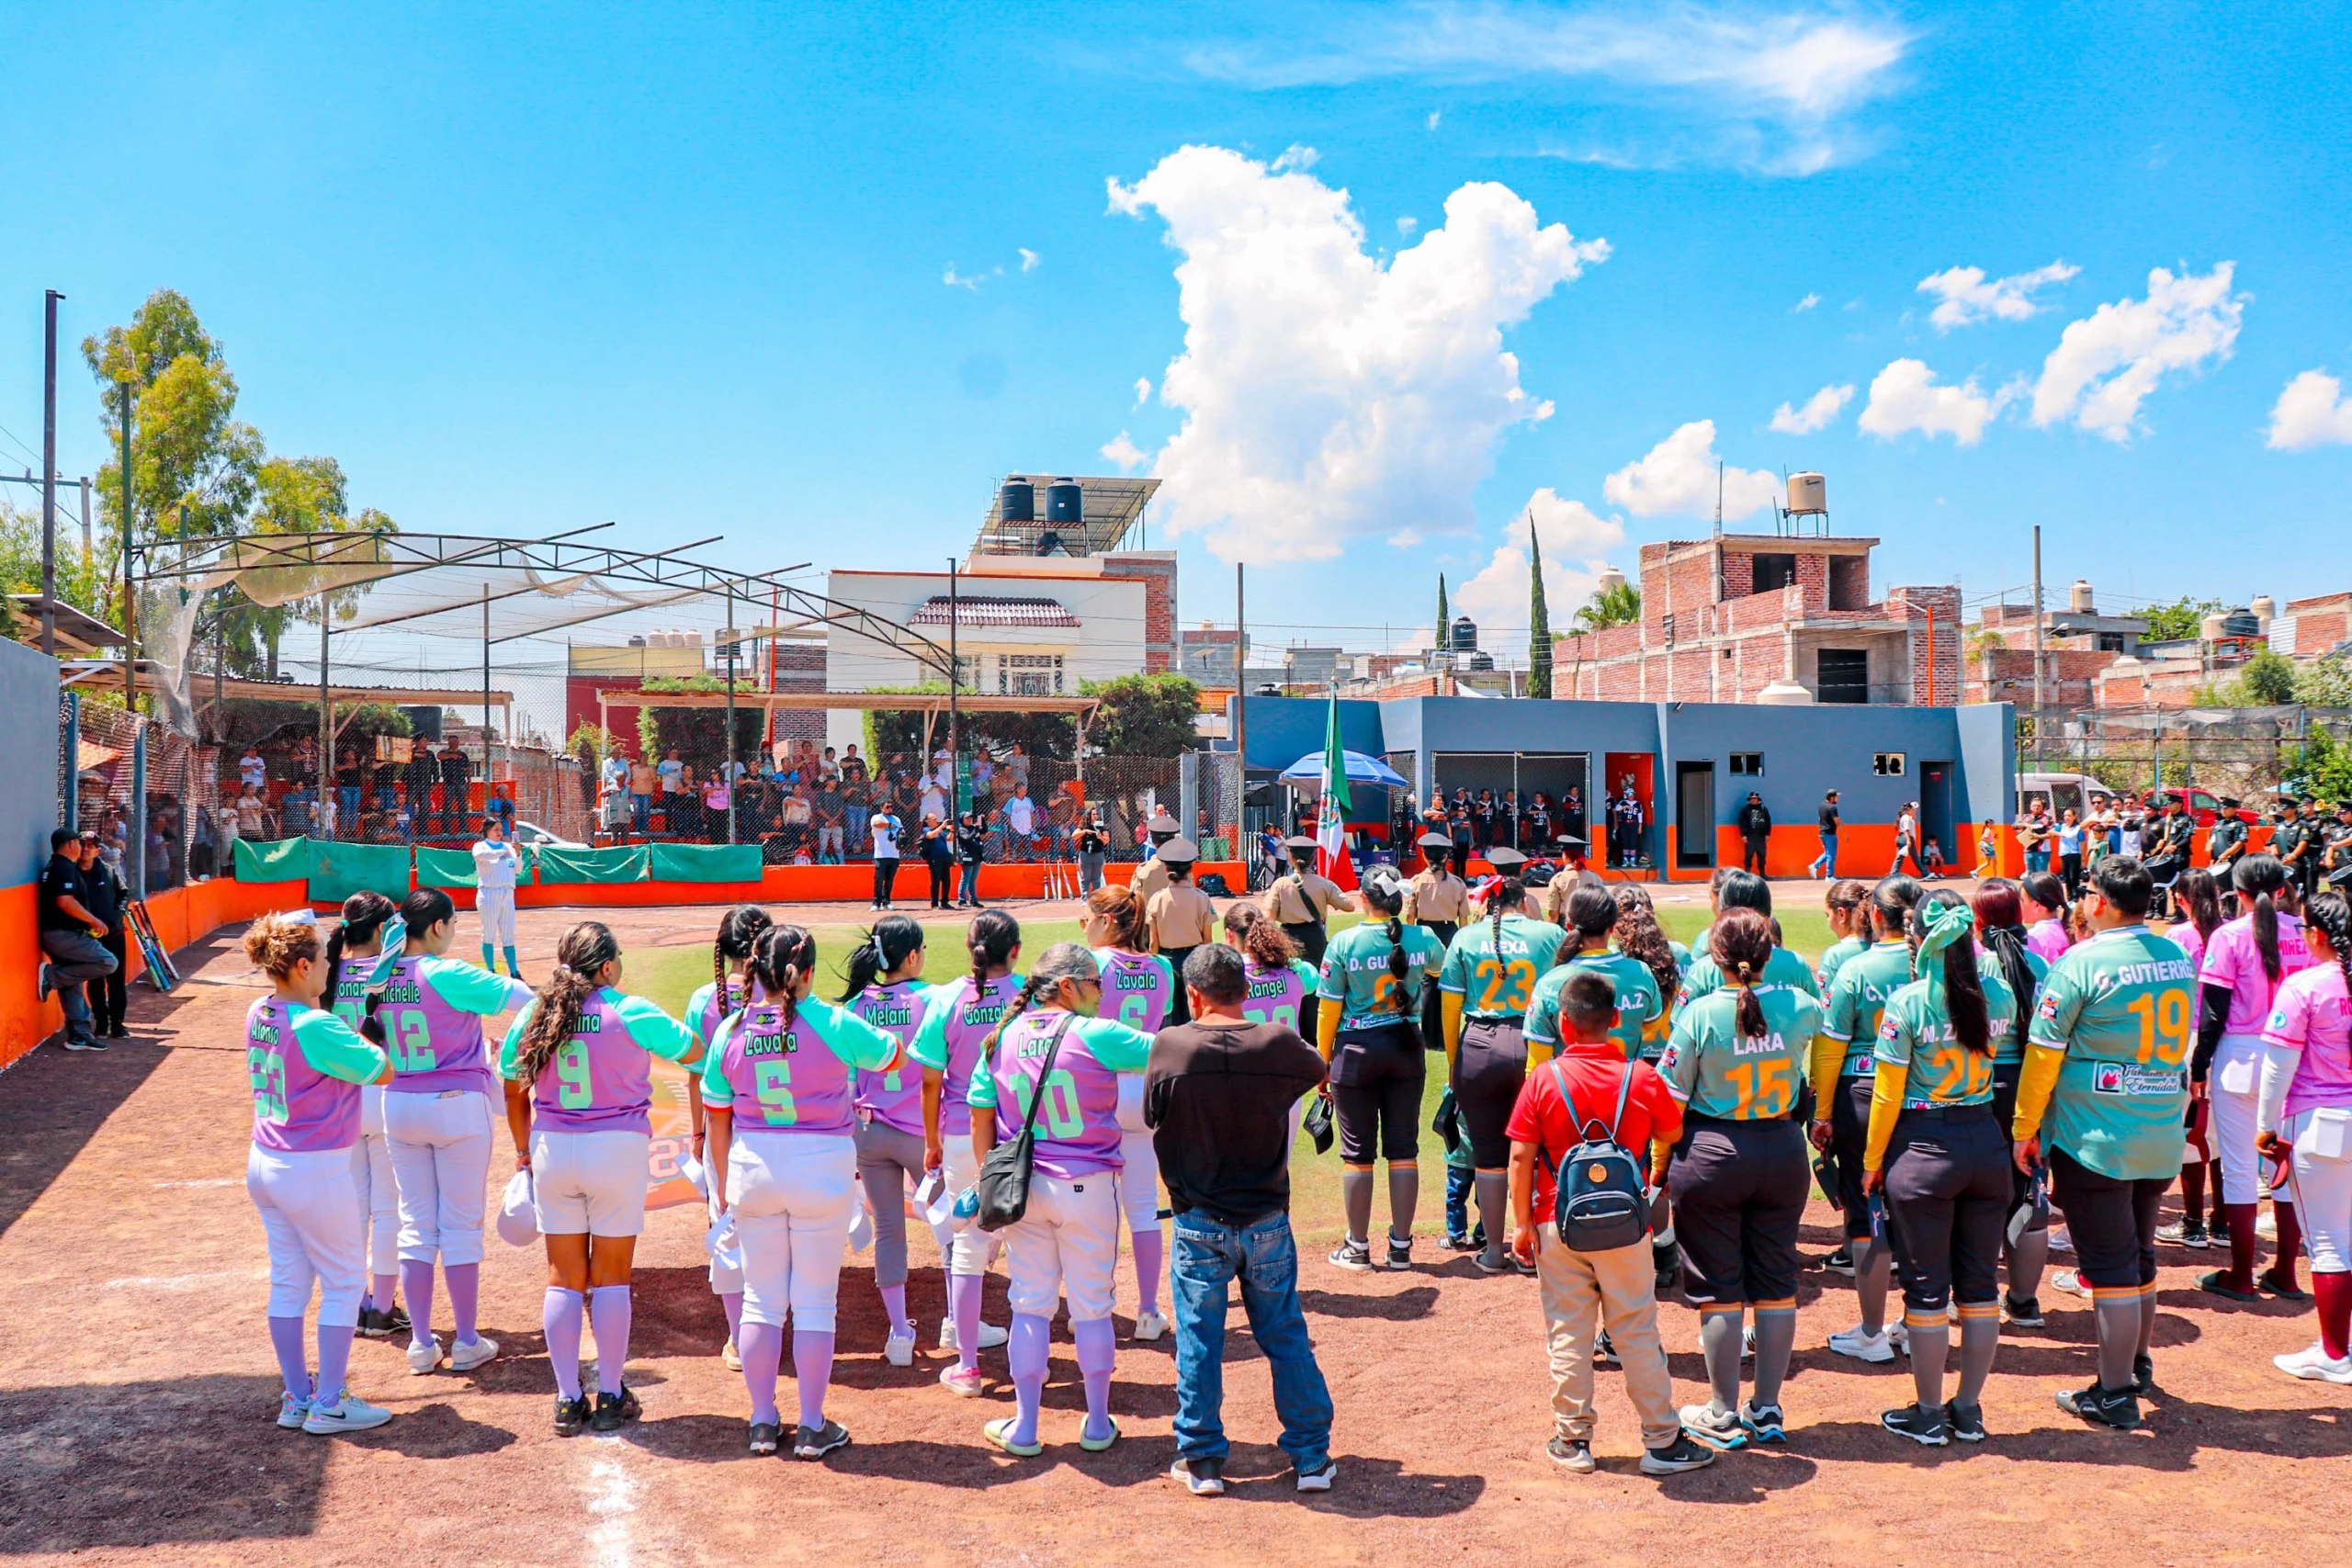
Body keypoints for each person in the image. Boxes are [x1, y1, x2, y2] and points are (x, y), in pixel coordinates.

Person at [702, 924, 901, 1457]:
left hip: (753, 1165)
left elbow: (717, 1119)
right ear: (806, 971)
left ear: (754, 969)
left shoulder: (731, 1029)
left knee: (761, 1302)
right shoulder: (833, 1021)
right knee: (815, 1304)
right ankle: (811, 1424)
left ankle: (763, 1421)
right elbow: (892, 1057)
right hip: (821, 1165)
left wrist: (721, 1187)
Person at [501, 921, 705, 1435]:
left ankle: (569, 1399)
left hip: (552, 1148)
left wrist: (523, 1151)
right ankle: (611, 1394)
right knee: (612, 1274)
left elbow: (511, 1087)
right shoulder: (629, 1009)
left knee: (563, 1277)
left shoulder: (536, 1011)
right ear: (607, 965)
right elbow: (694, 1050)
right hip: (617, 1149)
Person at [1149, 944, 1338, 1496]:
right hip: (1266, 1216)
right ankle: (1310, 1458)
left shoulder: (1171, 1044)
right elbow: (1317, 1070)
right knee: (1284, 1335)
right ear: (1246, 991)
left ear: (1193, 994)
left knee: (1200, 1339)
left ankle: (1203, 1459)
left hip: (1198, 1216)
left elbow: (1152, 1115)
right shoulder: (1275, 1042)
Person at [1507, 969, 1713, 1476]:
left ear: (1563, 1022)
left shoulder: (1543, 1078)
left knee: (1569, 1333)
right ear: (1616, 1020)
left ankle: (1573, 1439)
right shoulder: (1639, 1077)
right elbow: (1671, 1129)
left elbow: (1519, 1158)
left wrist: (1520, 1226)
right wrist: (1653, 1172)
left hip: (1558, 1220)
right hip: (1626, 1226)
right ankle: (1662, 1441)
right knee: (1637, 1330)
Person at [2011, 856, 2192, 1428]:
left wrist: (2024, 1126)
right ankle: (2135, 1363)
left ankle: (2114, 1393)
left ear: (2104, 902)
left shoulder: (2079, 963)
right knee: (2139, 1251)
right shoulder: (2177, 957)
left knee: (2111, 1263)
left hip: (2097, 1135)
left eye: (2087, 892)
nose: (2082, 901)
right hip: (2160, 1128)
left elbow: (2042, 1055)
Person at [966, 943, 1158, 1457]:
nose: (1102, 991)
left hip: (1024, 1188)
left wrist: (989, 1175)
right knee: (1093, 1307)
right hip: (1088, 1185)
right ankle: (1096, 1424)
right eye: (1094, 982)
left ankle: (1026, 1428)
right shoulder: (1097, 1033)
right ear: (1067, 985)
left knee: (1028, 1305)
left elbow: (980, 1117)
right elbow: (1166, 1051)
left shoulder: (1002, 1037)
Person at [1657, 909, 1821, 1450]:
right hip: (1781, 1152)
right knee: (1776, 1282)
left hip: (1712, 1157)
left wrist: (1660, 1168)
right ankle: (1768, 1409)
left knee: (1718, 1288)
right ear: (1770, 952)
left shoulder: (1700, 1014)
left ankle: (1724, 1413)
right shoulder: (1801, 1006)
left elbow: (1669, 1101)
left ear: (1715, 957)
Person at [1863, 890, 2018, 1445]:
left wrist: (1871, 1163)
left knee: (1926, 1291)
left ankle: (1929, 1413)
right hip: (1984, 1141)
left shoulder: (1907, 1002)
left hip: (1923, 1147)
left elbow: (1885, 1097)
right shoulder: (1999, 995)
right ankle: (1969, 1409)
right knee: (1979, 1288)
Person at [241, 910, 398, 1435]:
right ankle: (330, 1401)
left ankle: (296, 1397)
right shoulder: (317, 1023)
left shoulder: (259, 1011)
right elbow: (382, 1069)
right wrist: (371, 1031)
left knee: (289, 1283)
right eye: (325, 960)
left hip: (266, 1160)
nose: (330, 968)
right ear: (303, 965)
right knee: (345, 1281)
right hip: (313, 1167)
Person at [377, 888, 537, 1378]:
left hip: (400, 1102)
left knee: (415, 1226)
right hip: (455, 1107)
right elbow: (529, 1001)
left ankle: (422, 1343)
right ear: (439, 927)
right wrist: (500, 1052)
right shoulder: (449, 972)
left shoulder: (380, 974)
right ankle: (466, 1340)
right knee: (460, 1229)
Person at [1809, 874, 1924, 1359]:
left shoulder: (1855, 970)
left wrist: (1820, 1113)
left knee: (1865, 1214)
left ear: (1875, 915)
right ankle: (1919, 1322)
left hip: (1861, 1094)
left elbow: (1830, 1052)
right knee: (1921, 1214)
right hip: (1924, 1095)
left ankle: (1872, 1333)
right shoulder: (1937, 964)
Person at [1440, 848, 1569, 1275]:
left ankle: (1494, 1252)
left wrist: (1456, 1065)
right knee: (1538, 1150)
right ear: (1522, 901)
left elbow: (1449, 1009)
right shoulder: (1548, 934)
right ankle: (1535, 1249)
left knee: (1488, 1156)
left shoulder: (1465, 938)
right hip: (1537, 1043)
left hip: (1478, 1044)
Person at [908, 910, 1023, 1392]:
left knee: (967, 1245)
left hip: (960, 1138)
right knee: (1028, 1244)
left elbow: (930, 1081)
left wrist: (931, 1141)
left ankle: (968, 1364)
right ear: (1014, 950)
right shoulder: (1030, 995)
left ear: (968, 945)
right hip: (1020, 1135)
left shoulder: (945, 998)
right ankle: (1028, 1355)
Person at [2194, 853, 2314, 1303]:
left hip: (2238, 1060)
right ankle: (2285, 1272)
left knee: (2240, 1170)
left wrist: (2197, 1065)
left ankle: (2241, 1275)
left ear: (2238, 893)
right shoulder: (2303, 934)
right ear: (2282, 889)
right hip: (2292, 1060)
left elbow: (2213, 1012)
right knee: (2282, 1167)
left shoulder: (2227, 935)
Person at [1316, 864, 1445, 1272]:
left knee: (1357, 1154)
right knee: (1403, 1150)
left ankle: (1357, 1246)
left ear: (1364, 898)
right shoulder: (1423, 937)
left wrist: (1322, 1063)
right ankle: (1401, 1248)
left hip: (1356, 1051)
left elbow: (1327, 1010)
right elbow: (1439, 971)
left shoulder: (1344, 941)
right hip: (1407, 1047)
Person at [2256, 889, 2352, 1382]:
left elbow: (2277, 1068)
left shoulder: (2305, 986)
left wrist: (2265, 1127)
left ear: (2316, 934)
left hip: (2320, 1123)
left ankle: (2335, 1354)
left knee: (2330, 1242)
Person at [839, 916, 939, 1369]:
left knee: (888, 1233)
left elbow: (847, 1075)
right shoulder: (933, 998)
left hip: (869, 1131)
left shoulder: (857, 1004)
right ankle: (959, 1318)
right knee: (952, 1228)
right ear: (913, 955)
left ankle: (899, 1332)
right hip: (922, 1133)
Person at [1086, 886, 1178, 1341]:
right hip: (1146, 1090)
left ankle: (1096, 1304)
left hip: (1099, 1088)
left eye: (1089, 918)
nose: (1085, 926)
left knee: (1097, 1208)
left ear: (1107, 921)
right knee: (1142, 1207)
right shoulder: (1162, 967)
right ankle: (1147, 1310)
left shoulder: (1094, 965)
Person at [684, 906, 774, 1371]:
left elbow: (697, 1078)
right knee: (779, 1228)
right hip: (773, 1127)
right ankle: (774, 1327)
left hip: (723, 1130)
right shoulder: (782, 994)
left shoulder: (704, 998)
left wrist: (698, 1134)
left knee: (726, 1229)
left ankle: (739, 1339)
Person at [322, 890, 409, 1339]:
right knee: (387, 1209)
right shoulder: (391, 971)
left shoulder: (325, 970)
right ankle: (381, 1307)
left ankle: (355, 1303)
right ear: (380, 930)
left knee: (352, 1207)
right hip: (384, 1093)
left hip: (339, 1103)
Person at [1971, 879, 2054, 1325]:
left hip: (1982, 1089)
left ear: (1977, 921)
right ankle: (2024, 1302)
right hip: (2033, 1086)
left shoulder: (1974, 967)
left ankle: (1975, 1295)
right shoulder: (2041, 964)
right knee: (2030, 1193)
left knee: (1980, 1197)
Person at [2157, 869, 2227, 1251]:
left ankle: (2193, 1223)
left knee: (2190, 1133)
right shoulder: (2233, 931)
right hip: (2227, 1040)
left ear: (2181, 899)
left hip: (2186, 1039)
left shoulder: (2178, 936)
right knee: (2222, 1137)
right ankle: (2222, 1221)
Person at [1527, 885, 1663, 1070]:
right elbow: (1652, 1026)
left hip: (1570, 1092)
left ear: (1568, 926)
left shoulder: (1549, 983)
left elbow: (1537, 1063)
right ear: (1612, 927)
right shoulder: (1641, 972)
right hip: (1626, 1090)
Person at [35, 827, 116, 1054]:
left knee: (72, 983)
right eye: (79, 843)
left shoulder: (58, 866)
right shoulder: (63, 867)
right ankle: (51, 976)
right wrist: (94, 921)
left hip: (59, 934)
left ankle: (79, 1036)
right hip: (62, 935)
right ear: (71, 844)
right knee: (108, 962)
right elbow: (65, 902)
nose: (82, 847)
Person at [1407, 830, 1471, 1056]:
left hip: (1424, 932)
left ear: (1424, 856)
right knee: (1448, 984)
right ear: (1445, 857)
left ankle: (1428, 1037)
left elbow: (1410, 917)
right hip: (1449, 931)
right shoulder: (1457, 883)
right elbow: (1463, 919)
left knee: (1426, 984)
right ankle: (1445, 1036)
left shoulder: (1416, 882)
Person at [1147, 841, 1218, 1025]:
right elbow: (1207, 940)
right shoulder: (1201, 898)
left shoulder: (1157, 899)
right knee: (1192, 1012)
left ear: (1166, 870)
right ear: (1190, 869)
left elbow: (1153, 944)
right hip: (1193, 958)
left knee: (1167, 1012)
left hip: (1165, 960)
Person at [1221, 902, 1321, 1033]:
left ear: (1229, 935)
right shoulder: (1295, 969)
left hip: (1244, 1053)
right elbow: (1314, 979)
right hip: (1288, 1052)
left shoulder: (1224, 976)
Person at [1261, 837, 1351, 967]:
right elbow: (1349, 907)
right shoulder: (1324, 884)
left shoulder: (1280, 884)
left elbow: (1268, 918)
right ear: (1313, 858)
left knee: (1291, 979)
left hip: (1288, 937)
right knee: (1317, 979)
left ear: (1291, 858)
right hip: (1315, 936)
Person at [76, 832, 130, 1041]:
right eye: (83, 845)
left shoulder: (108, 871)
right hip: (89, 937)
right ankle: (101, 1023)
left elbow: (124, 894)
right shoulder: (73, 874)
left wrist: (118, 914)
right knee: (95, 981)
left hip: (114, 934)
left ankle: (118, 1024)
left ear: (98, 850)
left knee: (116, 980)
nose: (86, 849)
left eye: (91, 846)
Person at [471, 818, 524, 979]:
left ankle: (514, 972)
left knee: (508, 934)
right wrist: (503, 852)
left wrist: (518, 852)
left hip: (507, 893)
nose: (499, 832)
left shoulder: (508, 846)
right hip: (489, 893)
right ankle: (491, 970)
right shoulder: (480, 846)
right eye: (495, 829)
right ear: (487, 830)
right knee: (488, 933)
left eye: (501, 829)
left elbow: (518, 869)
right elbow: (481, 855)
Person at [2021, 870, 2073, 964]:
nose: (2020, 905)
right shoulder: (2072, 929)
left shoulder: (2033, 937)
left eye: (2022, 900)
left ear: (2037, 906)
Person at [867, 796, 903, 910]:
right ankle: (876, 903)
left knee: (889, 879)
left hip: (894, 853)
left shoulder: (896, 819)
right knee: (879, 879)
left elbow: (901, 831)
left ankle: (886, 901)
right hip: (881, 854)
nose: (890, 809)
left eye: (891, 807)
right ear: (882, 808)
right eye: (887, 807)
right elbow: (877, 824)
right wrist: (888, 825)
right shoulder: (876, 817)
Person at [955, 802, 989, 908]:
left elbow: (984, 830)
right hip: (968, 857)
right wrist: (976, 829)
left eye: (970, 818)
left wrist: (982, 821)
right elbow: (967, 839)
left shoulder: (973, 828)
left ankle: (973, 900)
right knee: (965, 878)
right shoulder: (962, 830)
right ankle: (961, 899)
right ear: (962, 820)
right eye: (967, 818)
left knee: (973, 879)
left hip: (977, 856)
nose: (969, 819)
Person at [918, 813, 955, 908]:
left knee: (946, 880)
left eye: (936, 819)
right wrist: (942, 826)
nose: (936, 821)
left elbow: (949, 839)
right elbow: (931, 835)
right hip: (935, 858)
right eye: (933, 819)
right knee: (936, 880)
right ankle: (934, 903)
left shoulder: (941, 831)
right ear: (927, 821)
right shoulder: (926, 829)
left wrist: (952, 831)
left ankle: (945, 901)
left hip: (944, 858)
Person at [1737, 791, 1772, 878]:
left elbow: (1768, 822)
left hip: (1761, 837)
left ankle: (1763, 874)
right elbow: (1742, 823)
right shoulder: (1745, 810)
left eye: (1755, 798)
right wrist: (1743, 835)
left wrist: (1768, 834)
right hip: (1750, 836)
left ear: (1758, 799)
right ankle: (1747, 874)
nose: (1753, 800)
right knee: (1749, 855)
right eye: (1751, 799)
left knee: (1762, 855)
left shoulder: (1763, 809)